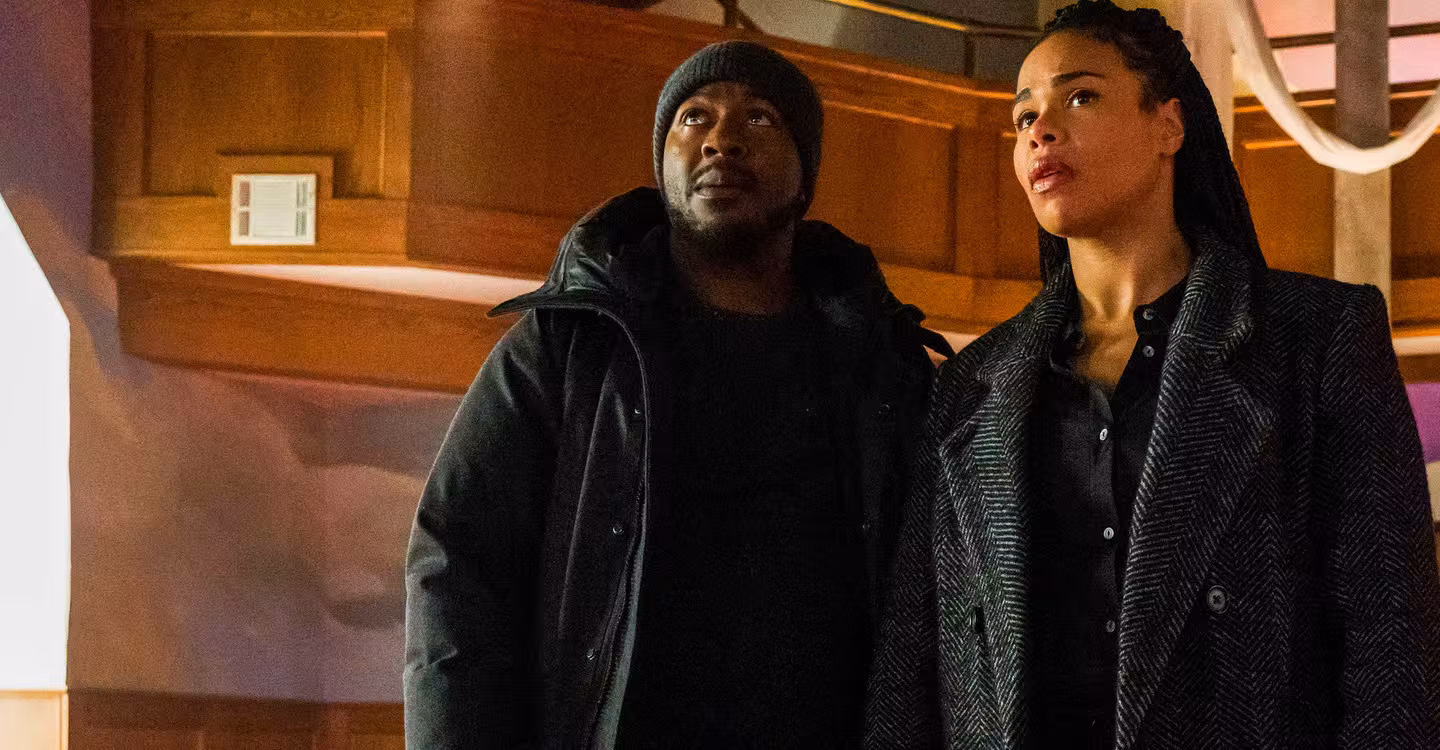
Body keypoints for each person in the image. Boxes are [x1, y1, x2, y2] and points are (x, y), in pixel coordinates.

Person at [866, 2, 1440, 747]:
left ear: (1169, 125)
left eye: (1080, 96)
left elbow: (1390, 648)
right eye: (1024, 116)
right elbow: (912, 663)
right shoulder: (971, 384)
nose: (1040, 130)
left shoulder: (1315, 339)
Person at [404, 40, 950, 750]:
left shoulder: (880, 362)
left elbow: (933, 597)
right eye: (694, 118)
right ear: (662, 165)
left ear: (806, 174)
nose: (722, 140)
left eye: (759, 118)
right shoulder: (570, 345)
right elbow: (457, 563)